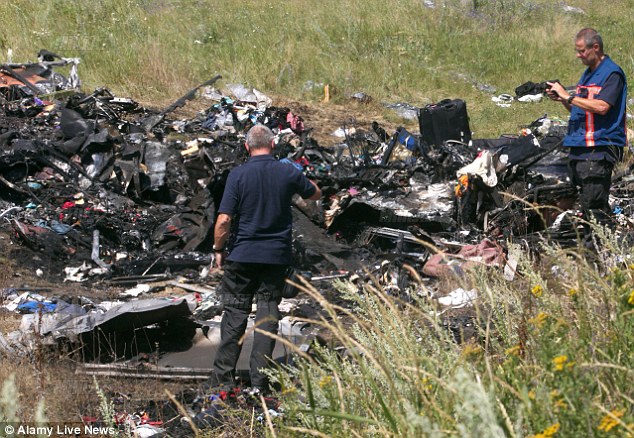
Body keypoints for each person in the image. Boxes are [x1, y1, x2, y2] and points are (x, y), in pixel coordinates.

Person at [211, 124, 321, 392]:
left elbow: (224, 219)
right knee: (267, 315)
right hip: (275, 257)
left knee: (235, 315)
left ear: (247, 147)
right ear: (273, 145)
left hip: (242, 257)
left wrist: (217, 249)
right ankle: (259, 383)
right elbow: (315, 193)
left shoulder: (237, 175)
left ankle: (222, 384)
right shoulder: (286, 171)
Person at [547, 28, 627, 250]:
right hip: (579, 146)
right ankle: (605, 246)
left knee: (593, 205)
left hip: (599, 148)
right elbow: (580, 110)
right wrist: (562, 99)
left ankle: (598, 255)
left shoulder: (612, 74)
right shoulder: (588, 74)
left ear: (596, 48)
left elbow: (602, 107)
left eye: (581, 51)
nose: (578, 55)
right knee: (589, 203)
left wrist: (569, 96)